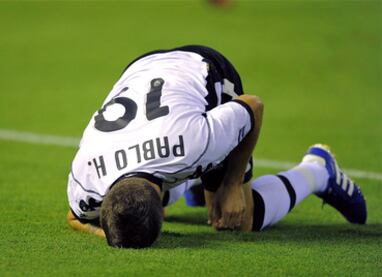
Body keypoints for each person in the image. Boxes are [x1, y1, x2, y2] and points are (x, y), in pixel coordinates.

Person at [66, 45, 367, 248]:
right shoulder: (85, 181)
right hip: (141, 70)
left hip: (205, 70)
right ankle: (200, 183)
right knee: (198, 185)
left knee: (236, 218)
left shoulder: (195, 143)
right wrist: (105, 230)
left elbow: (253, 106)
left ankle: (317, 170)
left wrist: (234, 182)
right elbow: (74, 217)